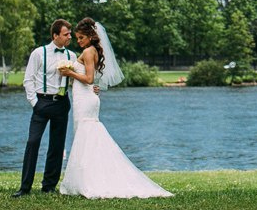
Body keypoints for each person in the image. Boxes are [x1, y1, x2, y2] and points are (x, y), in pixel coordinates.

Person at [57, 17, 172, 199]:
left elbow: (89, 79)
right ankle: (87, 178)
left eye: (81, 38)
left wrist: (69, 72)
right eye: (77, 38)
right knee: (86, 137)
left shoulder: (88, 52)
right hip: (85, 97)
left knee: (87, 136)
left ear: (90, 36)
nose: (78, 41)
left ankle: (89, 181)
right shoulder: (92, 50)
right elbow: (90, 81)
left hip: (86, 100)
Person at [14, 18, 94, 196]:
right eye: (66, 35)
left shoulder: (72, 56)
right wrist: (35, 103)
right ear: (55, 35)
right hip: (41, 103)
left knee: (57, 146)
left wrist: (93, 87)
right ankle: (24, 187)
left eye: (70, 35)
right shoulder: (38, 53)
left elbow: (80, 79)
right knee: (32, 142)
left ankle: (48, 186)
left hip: (62, 103)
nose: (69, 38)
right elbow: (28, 80)